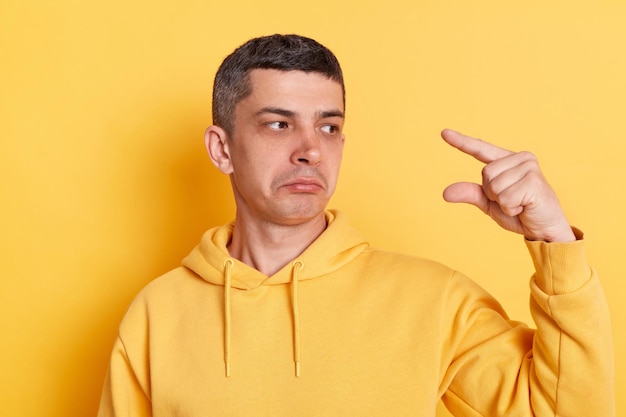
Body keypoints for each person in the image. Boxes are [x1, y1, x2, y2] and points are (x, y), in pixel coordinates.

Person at [97, 34, 614, 416]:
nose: (310, 150)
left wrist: (553, 239)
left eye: (329, 126)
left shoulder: (435, 300)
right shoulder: (156, 315)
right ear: (222, 148)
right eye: (279, 123)